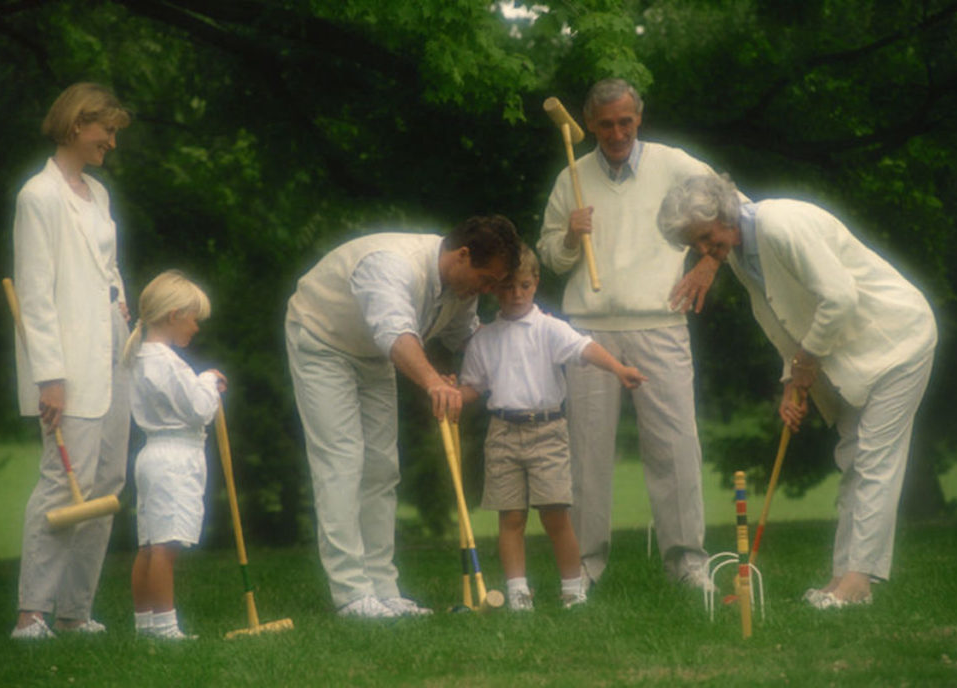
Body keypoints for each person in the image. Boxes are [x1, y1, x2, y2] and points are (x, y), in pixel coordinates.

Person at [657, 173, 937, 607]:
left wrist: (807, 363)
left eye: (705, 237)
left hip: (897, 338)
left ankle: (856, 583)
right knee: (855, 459)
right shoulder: (738, 253)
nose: (703, 251)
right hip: (855, 353)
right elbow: (787, 320)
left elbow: (840, 298)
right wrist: (792, 380)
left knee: (874, 460)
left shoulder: (780, 224)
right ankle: (843, 578)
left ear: (724, 214)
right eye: (694, 244)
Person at [536, 78, 728, 590]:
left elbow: (731, 209)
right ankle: (583, 568)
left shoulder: (676, 166)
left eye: (625, 121)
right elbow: (550, 258)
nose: (617, 132)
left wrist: (710, 262)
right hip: (589, 331)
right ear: (589, 124)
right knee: (586, 454)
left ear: (638, 119)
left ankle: (688, 562)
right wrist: (572, 239)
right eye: (605, 124)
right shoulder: (570, 177)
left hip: (660, 321)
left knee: (676, 447)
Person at [285, 215, 521, 618]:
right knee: (342, 462)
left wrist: (512, 363)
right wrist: (434, 383)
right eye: (486, 279)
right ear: (462, 255)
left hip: (374, 354)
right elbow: (395, 334)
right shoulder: (392, 265)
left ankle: (383, 588)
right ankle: (352, 595)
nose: (487, 290)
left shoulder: (462, 288)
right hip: (322, 340)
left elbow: (467, 339)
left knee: (382, 466)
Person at [459, 245, 646, 611]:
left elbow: (586, 348)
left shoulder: (549, 329)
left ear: (535, 284)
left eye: (524, 286)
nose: (516, 295)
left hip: (547, 431)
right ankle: (517, 592)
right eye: (508, 287)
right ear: (495, 288)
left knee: (555, 514)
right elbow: (473, 386)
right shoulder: (484, 339)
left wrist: (619, 370)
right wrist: (451, 396)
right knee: (511, 516)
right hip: (503, 433)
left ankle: (573, 590)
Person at [10, 83, 132, 639]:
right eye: (105, 129)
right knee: (65, 480)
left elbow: (107, 269)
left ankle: (75, 610)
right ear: (77, 124)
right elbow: (35, 293)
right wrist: (49, 376)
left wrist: (125, 314)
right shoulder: (38, 196)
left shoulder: (98, 193)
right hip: (69, 358)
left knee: (107, 479)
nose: (111, 140)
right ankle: (31, 612)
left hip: (113, 346)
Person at [124, 271, 226, 639]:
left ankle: (146, 625)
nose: (197, 327)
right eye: (193, 318)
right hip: (174, 457)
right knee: (165, 547)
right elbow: (200, 409)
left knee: (150, 544)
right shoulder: (165, 361)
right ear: (174, 315)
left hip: (153, 454)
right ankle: (165, 628)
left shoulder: (142, 356)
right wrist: (210, 381)